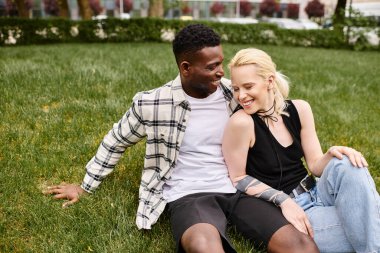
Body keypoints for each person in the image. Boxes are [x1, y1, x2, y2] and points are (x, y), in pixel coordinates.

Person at [44, 25, 319, 253]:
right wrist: (85, 186)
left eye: (220, 63)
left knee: (301, 246)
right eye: (212, 67)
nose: (222, 73)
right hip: (190, 195)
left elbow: (275, 110)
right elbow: (116, 141)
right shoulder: (153, 103)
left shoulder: (233, 96)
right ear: (186, 68)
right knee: (204, 246)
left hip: (237, 190)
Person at [223, 47, 380, 253]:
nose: (241, 96)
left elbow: (315, 165)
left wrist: (332, 152)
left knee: (347, 163)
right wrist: (284, 200)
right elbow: (238, 178)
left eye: (248, 86)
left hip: (319, 192)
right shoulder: (242, 122)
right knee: (370, 223)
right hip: (294, 210)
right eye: (235, 89)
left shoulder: (300, 109)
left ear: (270, 81)